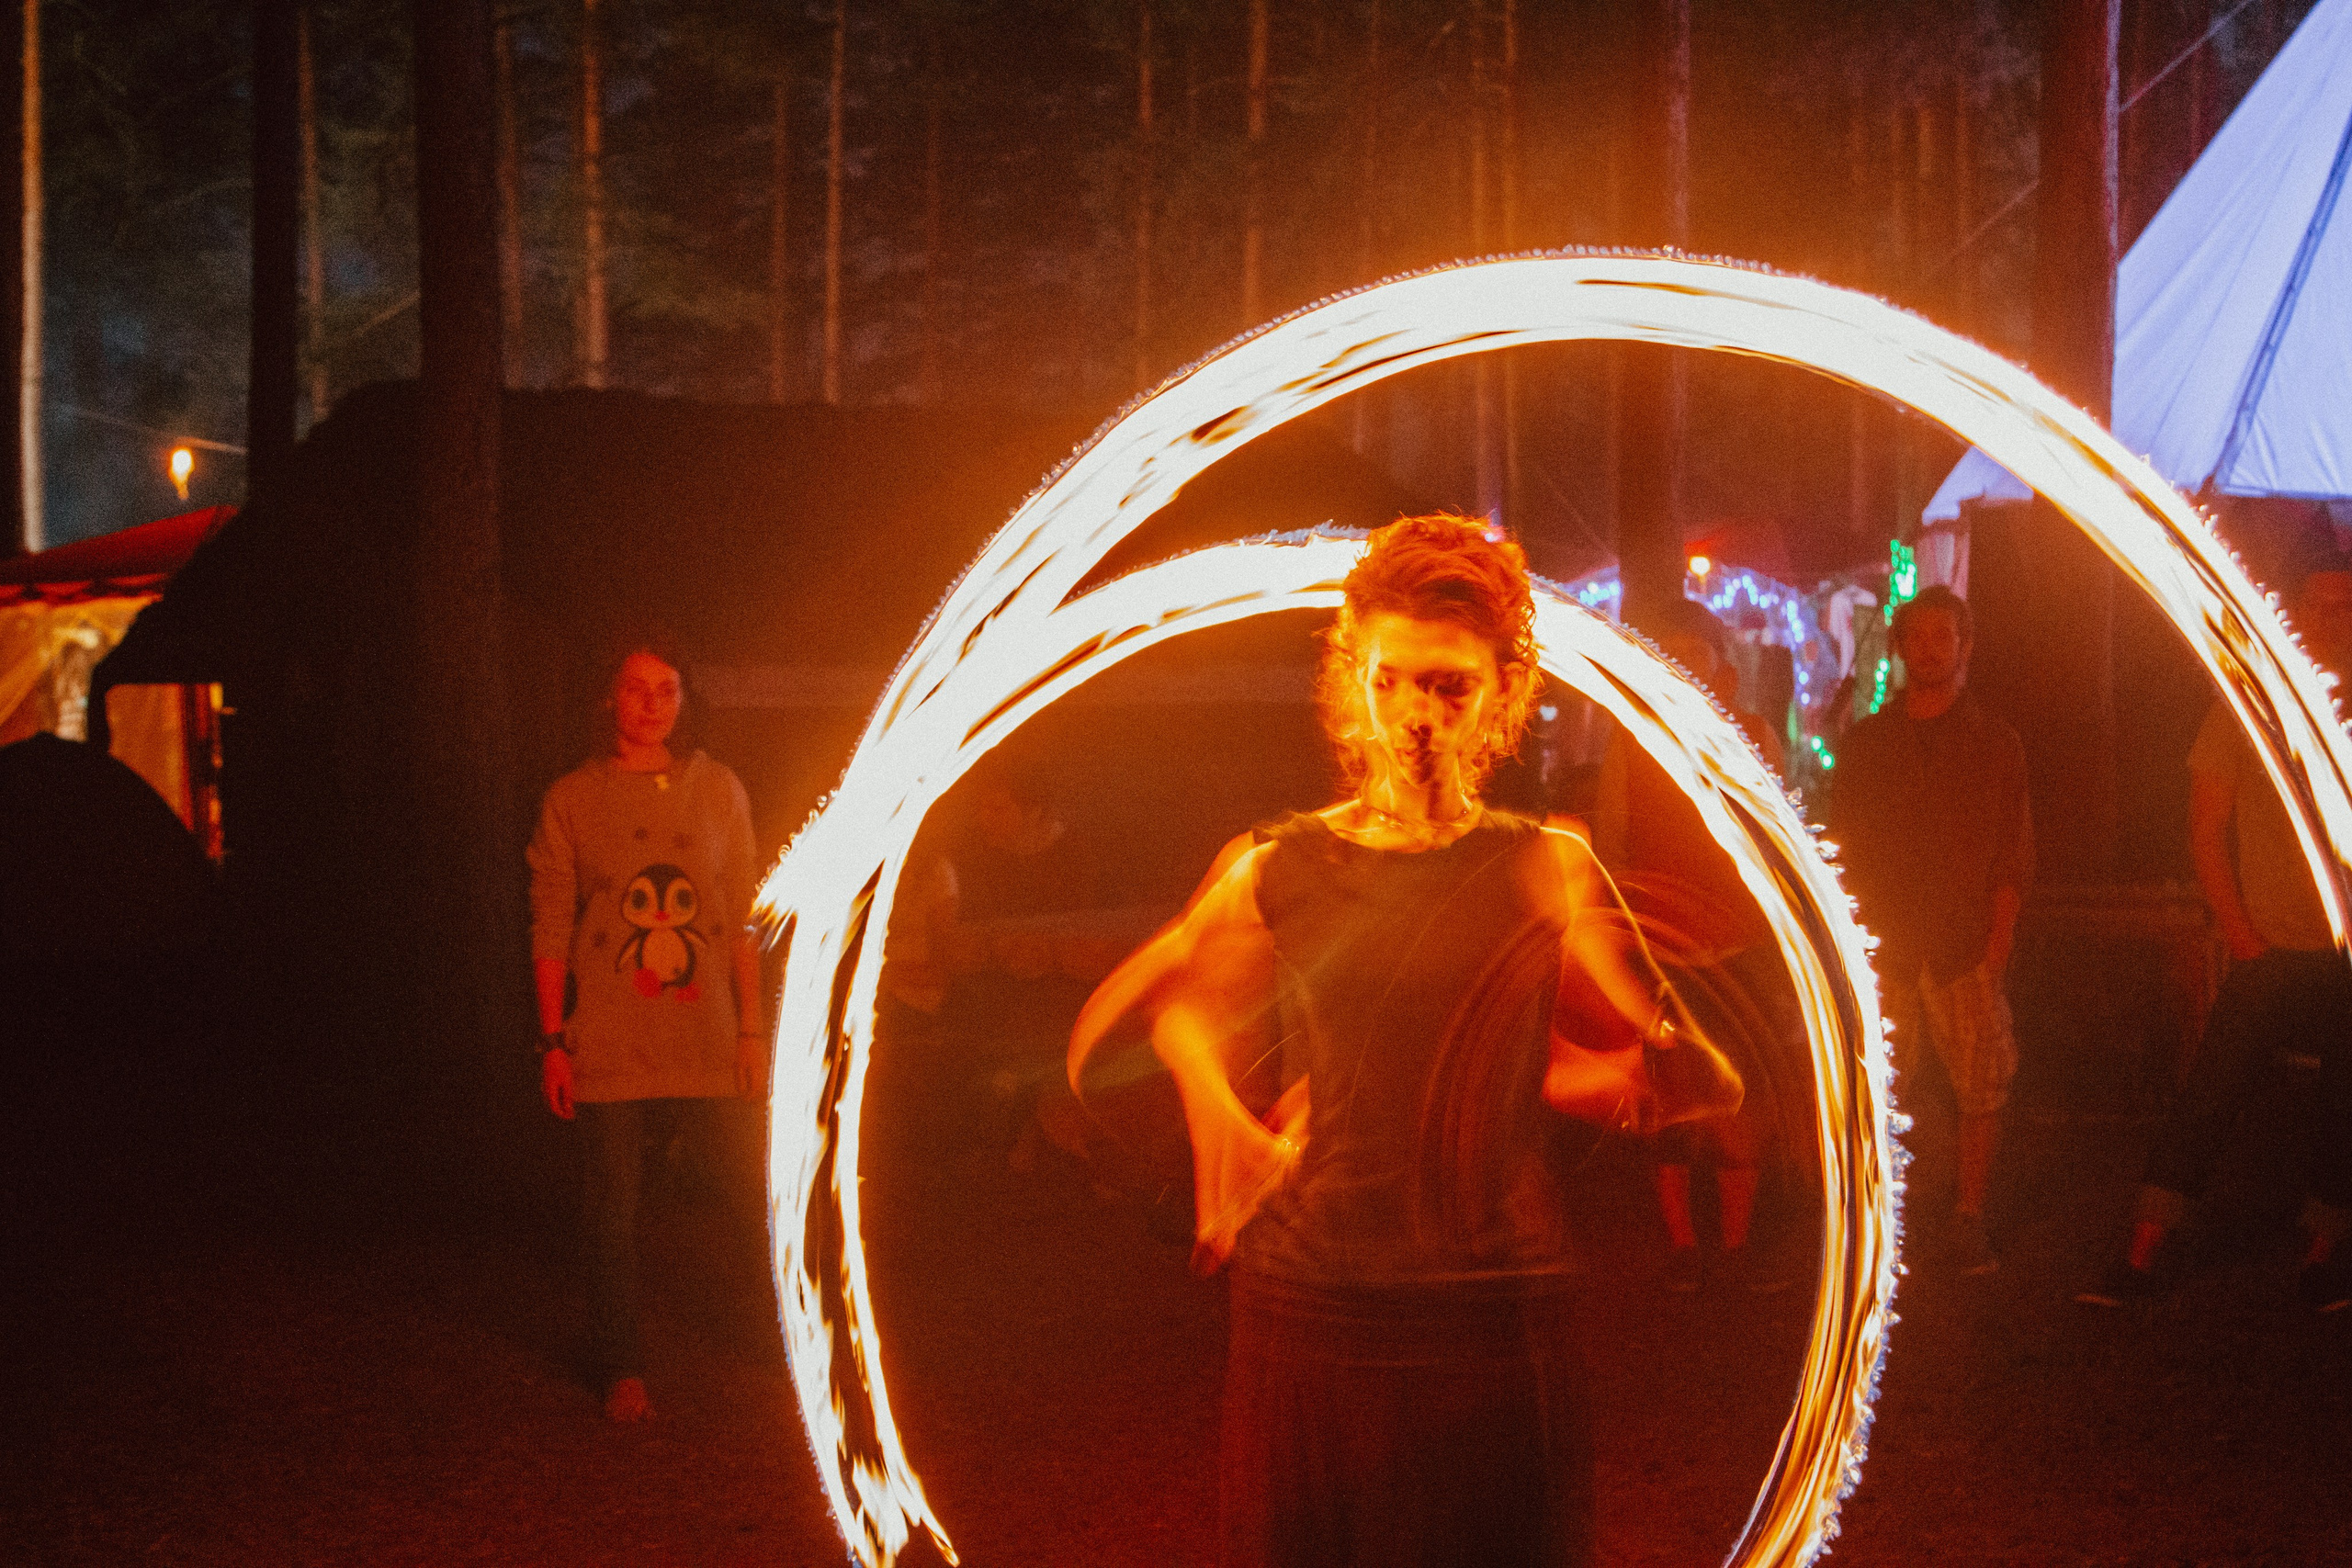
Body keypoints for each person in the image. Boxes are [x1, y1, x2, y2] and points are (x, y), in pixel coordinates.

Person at [1069, 514, 1738, 1568]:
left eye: (1448, 687)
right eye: (1391, 681)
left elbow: (1687, 1082)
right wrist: (1220, 1122)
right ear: (1352, 679)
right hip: (1315, 1312)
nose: (1414, 716)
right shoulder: (1274, 868)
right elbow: (1147, 1014)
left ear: (1503, 696)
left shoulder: (1546, 868)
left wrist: (1653, 1055)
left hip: (1493, 1320)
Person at [2080, 554, 2352, 1312]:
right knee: (2208, 1099)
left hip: (2344, 955)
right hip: (2267, 945)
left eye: (2348, 607)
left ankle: (2323, 1258)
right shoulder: (2246, 706)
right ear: (2296, 616)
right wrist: (2241, 932)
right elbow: (2206, 827)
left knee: (2344, 1107)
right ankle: (2139, 1255)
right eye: (2322, 607)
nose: (2336, 623)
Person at [527, 632, 765, 1421]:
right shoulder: (572, 798)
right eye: (637, 688)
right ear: (609, 698)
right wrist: (554, 1040)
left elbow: (740, 917)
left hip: (705, 1033)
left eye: (668, 689)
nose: (653, 705)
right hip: (610, 1033)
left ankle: (787, 1337)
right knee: (613, 1203)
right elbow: (552, 924)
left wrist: (752, 1028)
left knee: (747, 1188)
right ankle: (620, 1363)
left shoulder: (719, 788)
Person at [1825, 585, 2031, 1276]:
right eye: (1919, 637)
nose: (1931, 649)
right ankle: (1882, 1220)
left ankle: (1968, 1215)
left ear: (1964, 646)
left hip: (1960, 943)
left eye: (1944, 637)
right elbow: (1842, 840)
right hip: (1885, 942)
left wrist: (1997, 943)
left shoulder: (1996, 743)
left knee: (1981, 1085)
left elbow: (2013, 851)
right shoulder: (1869, 743)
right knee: (1878, 1087)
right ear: (1903, 647)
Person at [1594, 596, 1798, 1293]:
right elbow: (1613, 845)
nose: (1678, 674)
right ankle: (1683, 1247)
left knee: (1740, 1102)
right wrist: (1629, 933)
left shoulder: (1753, 737)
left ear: (1724, 674)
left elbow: (1775, 845)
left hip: (1735, 949)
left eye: (1693, 661)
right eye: (1668, 661)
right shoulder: (1632, 743)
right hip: (1666, 955)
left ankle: (1735, 1248)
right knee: (1674, 1105)